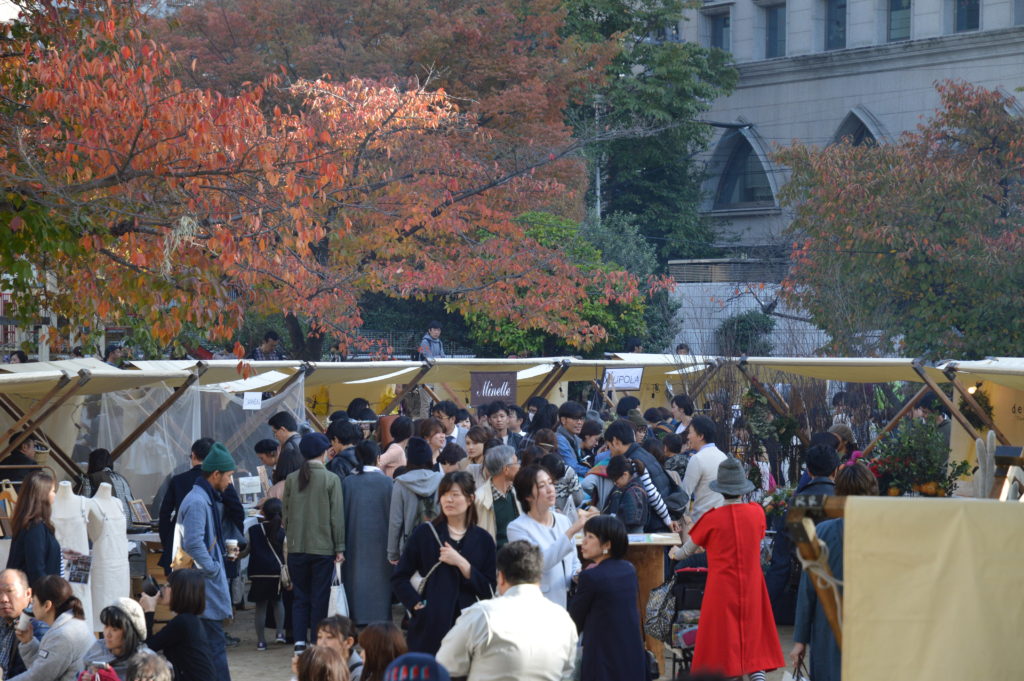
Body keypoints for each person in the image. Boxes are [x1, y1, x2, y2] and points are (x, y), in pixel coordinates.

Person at [670, 458, 784, 679]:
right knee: (752, 632)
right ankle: (756, 674)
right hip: (752, 583)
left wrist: (675, 552)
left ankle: (728, 674)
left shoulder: (711, 519)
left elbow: (688, 549)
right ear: (742, 487)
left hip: (720, 587)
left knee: (723, 637)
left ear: (720, 489)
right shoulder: (756, 513)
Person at [437, 540, 578, 680]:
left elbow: (444, 665)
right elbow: (566, 673)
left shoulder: (482, 614)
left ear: (501, 577)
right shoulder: (564, 620)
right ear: (539, 578)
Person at [391, 471, 497, 654]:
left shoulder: (483, 539)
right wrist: (416, 605)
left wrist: (463, 564)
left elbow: (488, 589)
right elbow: (399, 577)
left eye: (455, 495)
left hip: (470, 628)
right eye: (444, 494)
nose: (448, 500)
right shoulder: (425, 534)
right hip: (430, 627)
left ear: (470, 499)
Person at [791, 461, 878, 681]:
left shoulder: (821, 531)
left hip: (828, 628)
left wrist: (800, 640)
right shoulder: (885, 532)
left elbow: (807, 590)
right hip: (873, 626)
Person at [173, 442, 236, 680]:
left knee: (204, 649)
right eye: (229, 476)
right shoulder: (199, 501)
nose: (230, 481)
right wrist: (213, 568)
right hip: (202, 589)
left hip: (199, 585)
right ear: (216, 474)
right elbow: (194, 544)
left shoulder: (202, 497)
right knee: (214, 648)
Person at [284, 432, 346, 652]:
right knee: (319, 598)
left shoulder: (292, 479)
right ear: (323, 453)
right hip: (323, 548)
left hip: (296, 547)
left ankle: (299, 642)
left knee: (300, 597)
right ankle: (314, 641)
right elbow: (336, 517)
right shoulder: (331, 479)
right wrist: (340, 547)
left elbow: (286, 515)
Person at [764, 444, 839, 625]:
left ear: (809, 472)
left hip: (806, 590)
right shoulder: (845, 500)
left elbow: (781, 563)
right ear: (835, 471)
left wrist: (763, 607)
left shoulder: (798, 504)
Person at [568, 515, 646, 681]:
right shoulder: (628, 570)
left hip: (602, 656)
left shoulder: (591, 576)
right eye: (585, 535)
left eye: (590, 537)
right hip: (631, 651)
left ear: (607, 545)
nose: (584, 542)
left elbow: (575, 620)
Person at [507, 466, 595, 608]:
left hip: (570, 601)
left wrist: (576, 573)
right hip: (542, 605)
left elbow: (573, 559)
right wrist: (572, 531)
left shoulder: (562, 520)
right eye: (542, 486)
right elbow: (539, 564)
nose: (550, 489)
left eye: (550, 483)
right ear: (527, 496)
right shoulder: (517, 528)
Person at [157, 438, 244, 575]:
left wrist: (168, 542)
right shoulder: (214, 483)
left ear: (193, 455)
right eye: (229, 475)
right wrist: (231, 539)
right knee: (203, 589)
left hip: (181, 550)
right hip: (210, 549)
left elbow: (164, 514)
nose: (229, 480)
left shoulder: (179, 480)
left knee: (182, 587)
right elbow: (237, 511)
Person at [342, 440, 393, 627]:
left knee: (355, 579)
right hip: (383, 543)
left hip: (353, 542)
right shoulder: (387, 482)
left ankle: (357, 616)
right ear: (378, 458)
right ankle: (381, 616)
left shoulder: (348, 482)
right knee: (381, 581)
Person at [9, 575, 93, 681]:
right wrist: (28, 642)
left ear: (47, 605)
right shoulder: (72, 622)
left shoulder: (63, 635)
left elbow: (39, 677)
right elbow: (44, 668)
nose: (31, 606)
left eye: (34, 602)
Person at [139, 568, 216, 681]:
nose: (163, 588)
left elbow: (146, 648)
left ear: (181, 590)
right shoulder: (189, 620)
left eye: (169, 585)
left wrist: (149, 611)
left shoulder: (183, 622)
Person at [603, 421, 676, 531]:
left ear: (616, 442)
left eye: (609, 446)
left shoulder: (632, 462)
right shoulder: (642, 452)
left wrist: (668, 520)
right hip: (662, 517)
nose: (610, 452)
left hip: (655, 524)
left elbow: (652, 494)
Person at [387, 438, 443, 564]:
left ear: (409, 458)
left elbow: (396, 521)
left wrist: (392, 553)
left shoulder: (400, 483)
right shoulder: (441, 479)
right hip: (439, 544)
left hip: (409, 546)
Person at [245, 497, 287, 650]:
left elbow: (246, 551)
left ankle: (261, 642)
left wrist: (235, 554)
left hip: (258, 573)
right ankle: (280, 633)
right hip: (276, 574)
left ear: (263, 513)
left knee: (260, 608)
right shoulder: (282, 532)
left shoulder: (253, 530)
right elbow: (285, 554)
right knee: (278, 602)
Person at [6, 470, 60, 585]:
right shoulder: (35, 527)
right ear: (43, 495)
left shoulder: (32, 524)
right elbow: (36, 569)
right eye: (52, 491)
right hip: (37, 595)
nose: (55, 494)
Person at [80, 598, 152, 680]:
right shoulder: (96, 650)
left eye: (115, 629)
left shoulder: (146, 663)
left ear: (129, 633)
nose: (107, 634)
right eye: (106, 626)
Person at [469, 445, 521, 548]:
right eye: (516, 463)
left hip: (519, 557)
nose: (520, 466)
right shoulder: (479, 499)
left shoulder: (517, 493)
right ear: (506, 469)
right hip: (494, 559)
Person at [680, 415, 727, 522]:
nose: (688, 437)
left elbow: (685, 493)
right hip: (721, 518)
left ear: (700, 436)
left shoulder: (697, 459)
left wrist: (683, 519)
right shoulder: (723, 456)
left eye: (690, 432)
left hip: (702, 520)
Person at [0, 570, 46, 679]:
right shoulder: (3, 620)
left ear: (28, 593)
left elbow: (43, 673)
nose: (3, 599)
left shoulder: (39, 627)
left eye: (10, 591)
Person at [78, 448, 136, 521]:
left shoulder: (91, 478)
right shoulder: (122, 478)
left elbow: (84, 505)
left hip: (110, 524)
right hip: (131, 523)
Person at [603, 456, 648, 533]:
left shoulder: (633, 493)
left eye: (615, 479)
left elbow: (630, 521)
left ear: (625, 474)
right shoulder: (632, 488)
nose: (615, 483)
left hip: (631, 538)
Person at [317, 616, 364, 681]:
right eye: (319, 637)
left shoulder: (359, 674)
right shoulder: (319, 665)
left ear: (348, 642)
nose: (321, 643)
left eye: (329, 637)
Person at [554, 401, 589, 477]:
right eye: (576, 418)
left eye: (582, 419)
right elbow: (571, 466)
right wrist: (593, 472)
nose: (580, 422)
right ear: (563, 420)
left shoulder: (574, 437)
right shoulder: (559, 439)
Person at [270, 412, 305, 483]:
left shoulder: (289, 448)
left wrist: (277, 461)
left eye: (275, 432)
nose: (275, 436)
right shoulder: (303, 440)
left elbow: (280, 479)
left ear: (283, 429)